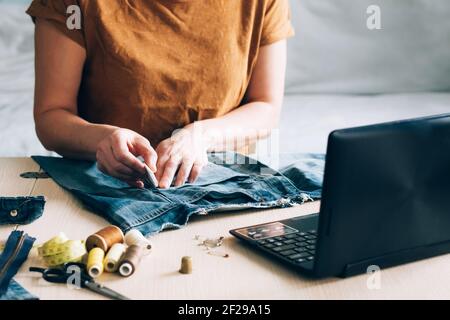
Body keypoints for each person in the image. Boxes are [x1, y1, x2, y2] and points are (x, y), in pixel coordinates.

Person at [26, 0, 294, 189]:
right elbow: (52, 115)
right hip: (105, 183)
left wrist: (201, 136)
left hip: (228, 180)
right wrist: (102, 140)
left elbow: (266, 106)